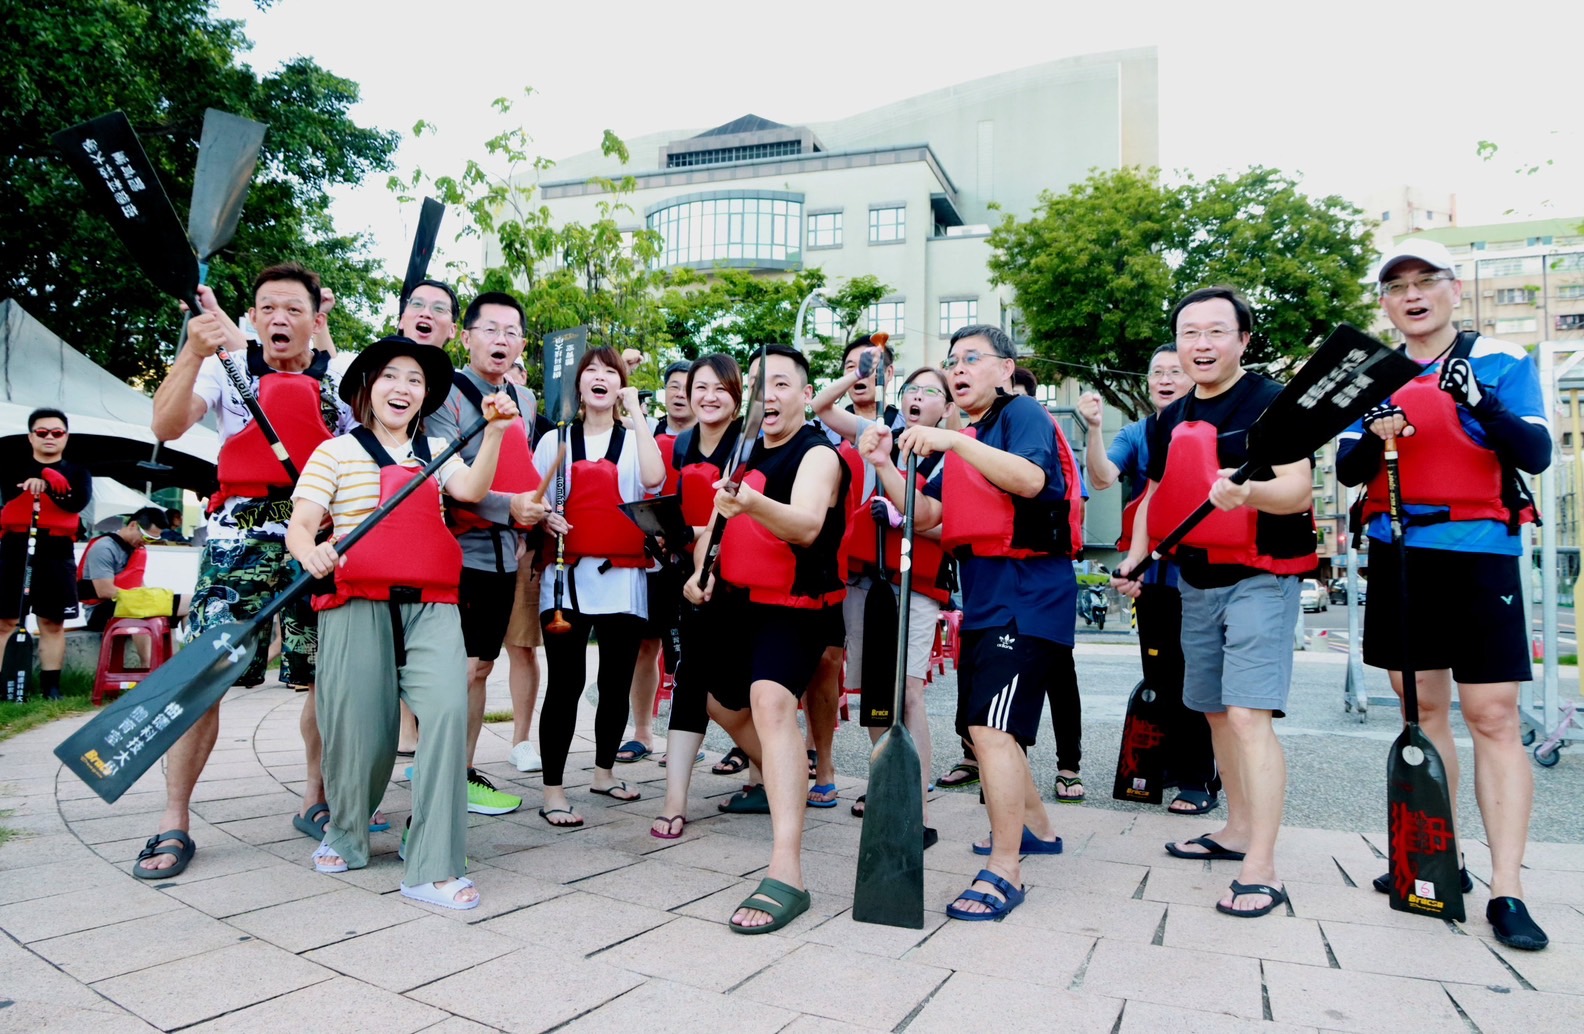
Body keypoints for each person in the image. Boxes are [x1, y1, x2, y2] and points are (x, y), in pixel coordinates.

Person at [1336, 239, 1551, 951]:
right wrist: (1376, 431)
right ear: (1385, 302)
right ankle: (1441, 860)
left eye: (1426, 281)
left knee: (1491, 715)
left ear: (1454, 290)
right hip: (1400, 553)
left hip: (1480, 554)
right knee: (1421, 713)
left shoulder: (1501, 362)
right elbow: (1348, 468)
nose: (1413, 294)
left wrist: (1477, 402)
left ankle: (1509, 887)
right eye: (1397, 285)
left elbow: (1535, 453)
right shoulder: (1372, 375)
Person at [289, 334, 518, 910]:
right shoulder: (336, 452)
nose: (403, 388)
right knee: (361, 733)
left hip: (433, 605)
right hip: (355, 603)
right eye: (391, 376)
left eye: (415, 380)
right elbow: (303, 521)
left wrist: (492, 432)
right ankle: (347, 830)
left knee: (445, 712)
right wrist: (308, 551)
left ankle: (432, 864)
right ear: (368, 386)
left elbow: (470, 489)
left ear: (425, 396)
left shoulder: (438, 449)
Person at [141, 263, 354, 878]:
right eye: (267, 308)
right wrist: (190, 348)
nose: (279, 319)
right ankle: (174, 819)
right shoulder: (222, 367)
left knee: (323, 675)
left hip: (318, 534)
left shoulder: (340, 375)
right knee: (201, 674)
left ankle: (315, 798)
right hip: (238, 535)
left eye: (294, 309)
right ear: (252, 318)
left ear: (318, 319)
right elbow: (165, 425)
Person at [1113, 286, 1317, 919]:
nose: (1200, 344)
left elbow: (1298, 491)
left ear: (1243, 340)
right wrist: (1135, 556)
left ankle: (1263, 864)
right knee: (1216, 714)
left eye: (1215, 332)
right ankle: (1234, 831)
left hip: (1262, 576)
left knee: (1250, 713)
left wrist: (1247, 495)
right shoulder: (1169, 418)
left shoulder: (1271, 402)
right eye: (1189, 333)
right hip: (1194, 581)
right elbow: (1155, 497)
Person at [860, 325, 1071, 921]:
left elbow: (1031, 479)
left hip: (1027, 596)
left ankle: (1006, 868)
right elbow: (926, 515)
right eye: (953, 360)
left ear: (1006, 369)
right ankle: (1036, 828)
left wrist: (952, 442)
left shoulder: (1021, 413)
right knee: (985, 728)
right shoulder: (969, 437)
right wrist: (882, 462)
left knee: (991, 730)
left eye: (972, 358)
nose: (959, 368)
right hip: (984, 598)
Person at [686, 344, 848, 933]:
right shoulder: (744, 449)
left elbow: (805, 525)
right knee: (718, 702)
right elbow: (715, 524)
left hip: (798, 608)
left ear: (806, 395)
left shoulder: (818, 456)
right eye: (760, 385)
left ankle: (787, 869)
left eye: (782, 384)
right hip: (737, 604)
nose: (770, 395)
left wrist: (751, 501)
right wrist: (697, 573)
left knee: (771, 702)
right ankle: (792, 776)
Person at [424, 291, 551, 817]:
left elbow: (526, 475)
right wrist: (512, 508)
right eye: (490, 329)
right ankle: (438, 771)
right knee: (450, 670)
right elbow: (448, 481)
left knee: (479, 668)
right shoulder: (443, 396)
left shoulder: (525, 401)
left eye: (512, 332)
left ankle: (463, 770)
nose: (501, 340)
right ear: (466, 335)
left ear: (522, 344)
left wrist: (540, 514)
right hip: (454, 554)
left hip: (505, 556)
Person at [1081, 345, 1221, 814]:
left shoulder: (1211, 425)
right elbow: (1101, 478)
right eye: (1156, 372)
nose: (1164, 379)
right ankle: (1165, 763)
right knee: (1160, 672)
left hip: (1205, 572)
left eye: (1174, 371)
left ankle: (1199, 777)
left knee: (1197, 674)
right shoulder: (1140, 433)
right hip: (1151, 575)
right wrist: (1096, 429)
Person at [822, 364, 956, 844]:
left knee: (910, 691)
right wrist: (859, 375)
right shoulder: (881, 434)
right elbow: (821, 408)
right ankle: (888, 784)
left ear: (947, 406)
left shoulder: (952, 455)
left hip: (917, 585)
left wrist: (906, 520)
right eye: (912, 390)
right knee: (876, 693)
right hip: (867, 582)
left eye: (931, 392)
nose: (919, 397)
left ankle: (915, 805)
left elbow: (951, 527)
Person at [532, 346, 665, 827]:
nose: (601, 378)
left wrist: (639, 416)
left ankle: (604, 772)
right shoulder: (555, 441)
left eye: (612, 372)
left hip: (623, 577)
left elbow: (654, 480)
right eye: (592, 371)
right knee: (565, 684)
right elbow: (535, 500)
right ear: (579, 384)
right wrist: (547, 518)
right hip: (565, 581)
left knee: (615, 682)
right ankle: (552, 790)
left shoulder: (634, 439)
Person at [651, 353, 743, 838]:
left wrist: (698, 534)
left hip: (738, 578)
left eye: (719, 389)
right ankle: (674, 800)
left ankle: (767, 774)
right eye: (699, 387)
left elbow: (745, 513)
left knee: (737, 689)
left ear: (737, 396)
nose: (707, 397)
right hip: (687, 576)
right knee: (689, 681)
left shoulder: (747, 444)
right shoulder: (681, 443)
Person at [391, 278, 460, 757]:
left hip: (433, 550)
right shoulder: (362, 383)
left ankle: (429, 749)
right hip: (364, 549)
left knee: (433, 665)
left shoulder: (444, 422)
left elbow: (466, 483)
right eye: (417, 305)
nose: (426, 313)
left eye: (439, 308)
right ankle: (340, 795)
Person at [620, 359, 696, 764]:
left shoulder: (709, 440)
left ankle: (686, 740)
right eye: (673, 385)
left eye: (689, 386)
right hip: (651, 556)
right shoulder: (643, 432)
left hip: (694, 557)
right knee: (646, 646)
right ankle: (643, 732)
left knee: (689, 653)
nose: (680, 393)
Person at [0, 409, 91, 701]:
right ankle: (5, 685)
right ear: (31, 436)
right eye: (42, 432)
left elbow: (76, 502)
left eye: (57, 432)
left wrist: (52, 484)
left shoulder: (78, 472)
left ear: (66, 437)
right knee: (6, 621)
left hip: (56, 550)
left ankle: (51, 687)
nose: (49, 437)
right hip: (16, 546)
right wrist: (36, 480)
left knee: (52, 622)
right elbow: (8, 493)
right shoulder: (12, 466)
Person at [76, 507, 170, 632]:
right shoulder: (104, 548)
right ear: (133, 525)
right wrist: (144, 599)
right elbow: (105, 591)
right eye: (147, 537)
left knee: (183, 604)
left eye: (153, 540)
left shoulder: (135, 550)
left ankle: (189, 651)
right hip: (99, 611)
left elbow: (139, 585)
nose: (147, 543)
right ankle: (147, 653)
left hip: (126, 603)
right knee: (143, 612)